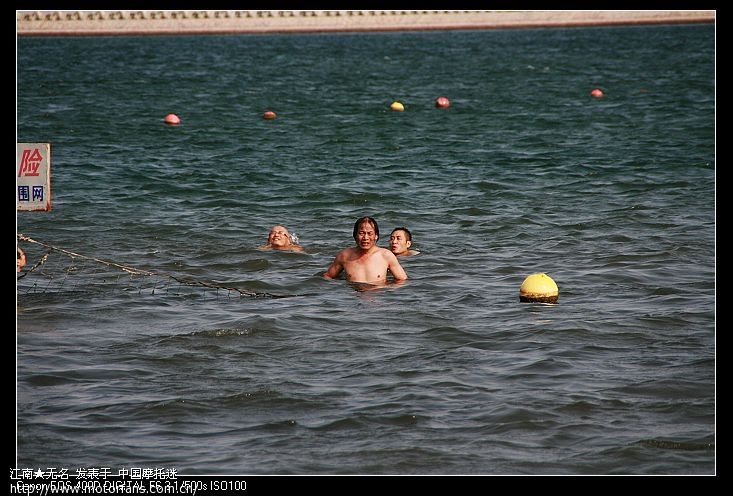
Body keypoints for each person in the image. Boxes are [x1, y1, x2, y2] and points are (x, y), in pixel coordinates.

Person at [324, 216, 407, 284]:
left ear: (376, 236)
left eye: (370, 233)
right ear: (355, 235)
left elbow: (402, 280)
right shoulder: (344, 256)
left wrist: (387, 292)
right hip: (352, 298)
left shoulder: (386, 255)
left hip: (378, 298)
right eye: (361, 233)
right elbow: (328, 276)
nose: (365, 238)